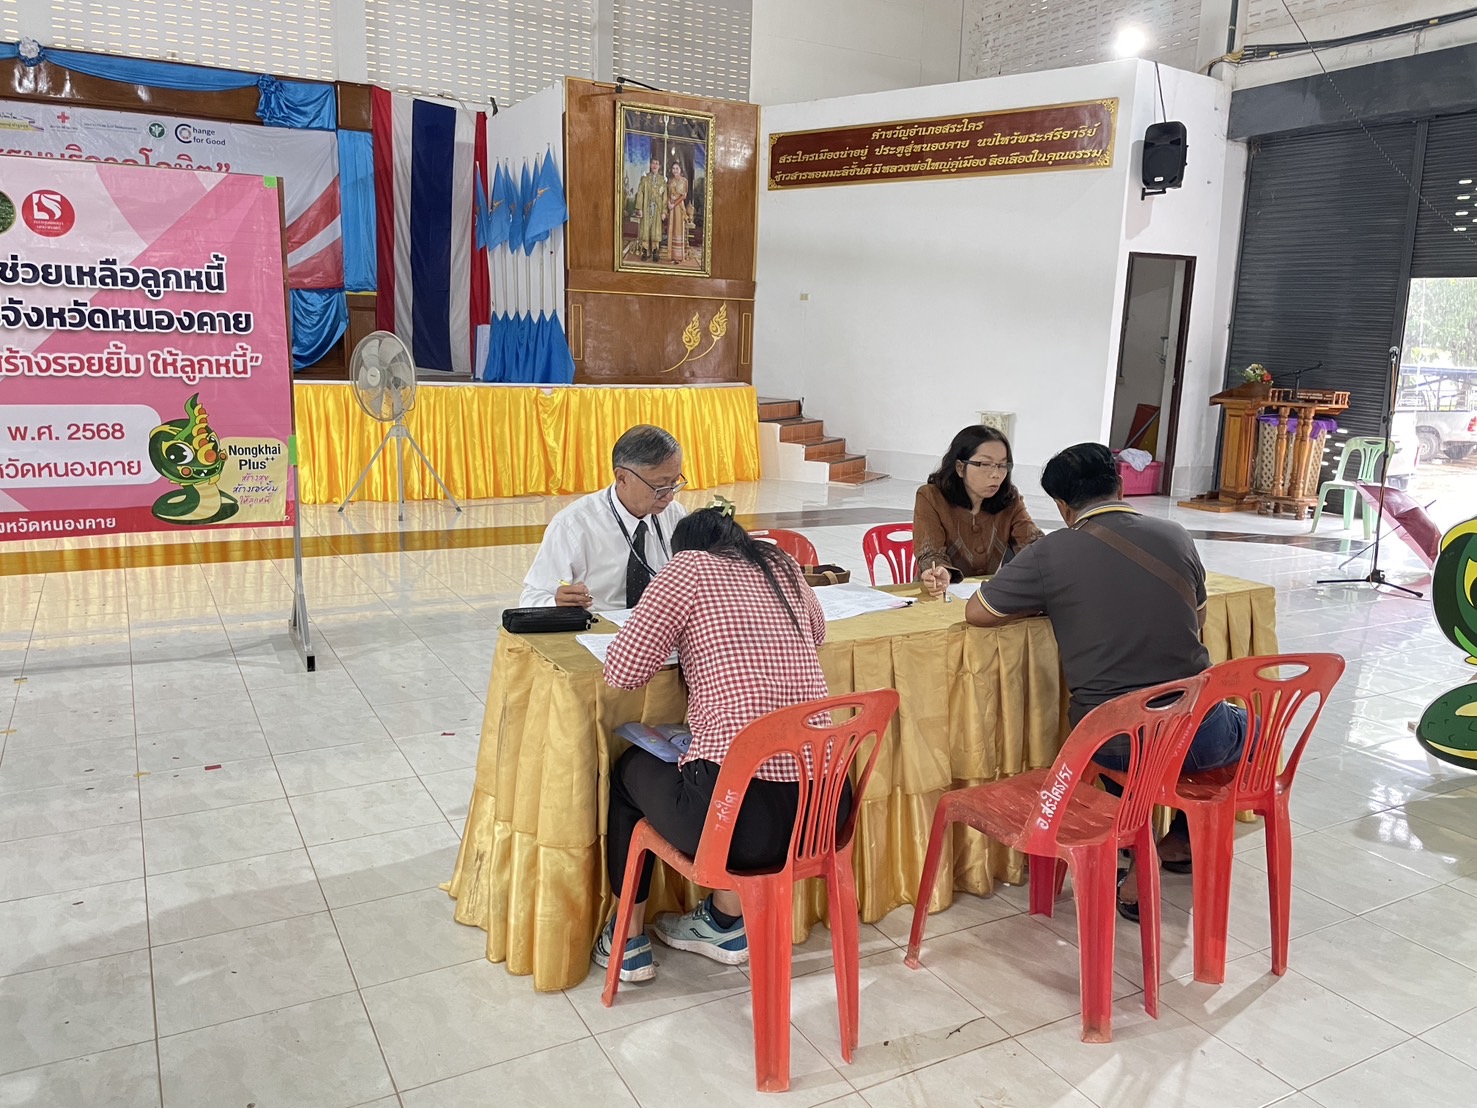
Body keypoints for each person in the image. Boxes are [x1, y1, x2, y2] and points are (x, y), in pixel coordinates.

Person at [965, 442, 1247, 921]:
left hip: (1113, 742)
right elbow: (1196, 622)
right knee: (1246, 724)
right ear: (1120, 485)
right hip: (1199, 733)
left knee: (1128, 739)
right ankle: (1181, 833)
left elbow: (978, 612)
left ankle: (1140, 850)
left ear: (1061, 505)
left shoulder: (1050, 553)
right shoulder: (1175, 535)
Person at [594, 504, 844, 982]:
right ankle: (723, 923)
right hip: (822, 817)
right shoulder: (780, 563)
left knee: (630, 772)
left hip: (739, 826)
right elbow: (816, 632)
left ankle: (626, 940)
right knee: (719, 762)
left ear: (685, 548)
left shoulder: (685, 567)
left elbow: (623, 671)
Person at [520, 425, 688, 611]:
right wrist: (555, 602)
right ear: (622, 478)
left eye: (674, 483)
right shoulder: (574, 525)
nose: (669, 496)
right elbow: (531, 597)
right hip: (598, 629)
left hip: (659, 628)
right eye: (659, 486)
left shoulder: (675, 514)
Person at [915, 425, 1043, 598]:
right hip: (937, 594)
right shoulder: (931, 496)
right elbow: (930, 551)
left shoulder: (1009, 498)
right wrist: (940, 570)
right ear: (960, 467)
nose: (996, 474)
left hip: (985, 597)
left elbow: (1032, 541)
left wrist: (1055, 552)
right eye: (985, 464)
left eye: (1002, 465)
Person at [633, 155, 665, 261]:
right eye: (653, 163)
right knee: (646, 229)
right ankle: (645, 251)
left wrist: (664, 211)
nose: (655, 165)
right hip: (646, 208)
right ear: (650, 165)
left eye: (657, 163)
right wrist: (640, 209)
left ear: (659, 166)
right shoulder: (645, 178)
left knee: (656, 230)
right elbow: (640, 194)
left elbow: (664, 197)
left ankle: (655, 251)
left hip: (657, 209)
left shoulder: (662, 180)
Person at [665, 160, 689, 263]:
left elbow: (683, 196)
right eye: (673, 168)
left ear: (680, 170)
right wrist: (669, 204)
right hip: (672, 208)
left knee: (678, 230)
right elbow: (668, 193)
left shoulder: (684, 181)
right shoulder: (670, 181)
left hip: (679, 208)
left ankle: (678, 257)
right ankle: (672, 256)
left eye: (677, 168)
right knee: (672, 229)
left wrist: (674, 204)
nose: (675, 170)